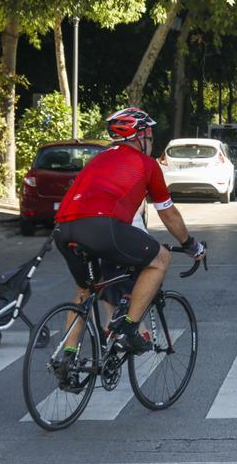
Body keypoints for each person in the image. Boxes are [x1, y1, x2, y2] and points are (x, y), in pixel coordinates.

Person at [53, 107, 206, 354]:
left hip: (63, 228)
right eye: (150, 137)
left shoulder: (98, 158)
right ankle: (129, 328)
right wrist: (190, 244)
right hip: (102, 227)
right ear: (139, 136)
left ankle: (67, 357)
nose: (152, 142)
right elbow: (168, 213)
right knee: (160, 259)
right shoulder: (147, 164)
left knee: (84, 291)